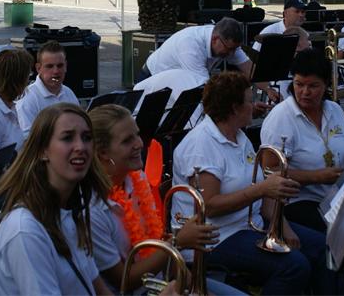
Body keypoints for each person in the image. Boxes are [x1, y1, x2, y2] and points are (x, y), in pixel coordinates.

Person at [171, 70, 344, 295]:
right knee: (294, 267)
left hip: (249, 226)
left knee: (324, 248)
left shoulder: (238, 135)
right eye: (249, 100)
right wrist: (260, 190)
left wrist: (283, 227)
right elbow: (210, 206)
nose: (253, 106)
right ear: (234, 108)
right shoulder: (201, 145)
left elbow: (263, 192)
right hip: (217, 239)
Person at [89, 104, 243, 295]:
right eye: (127, 141)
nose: (139, 144)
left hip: (167, 281)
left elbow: (156, 244)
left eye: (137, 135)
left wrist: (190, 283)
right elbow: (124, 281)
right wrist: (178, 242)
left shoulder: (137, 179)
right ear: (103, 153)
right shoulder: (94, 210)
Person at [0, 103, 112, 295]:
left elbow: (95, 285)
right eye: (67, 138)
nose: (81, 147)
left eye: (87, 138)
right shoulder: (25, 231)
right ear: (42, 151)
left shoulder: (71, 210)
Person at [260, 48, 344, 233]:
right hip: (298, 202)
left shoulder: (334, 110)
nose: (305, 92)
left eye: (313, 86)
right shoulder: (281, 117)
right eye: (299, 84)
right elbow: (269, 171)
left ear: (326, 84)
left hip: (338, 197)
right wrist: (316, 177)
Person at [137, 17, 252, 84]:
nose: (232, 53)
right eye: (229, 49)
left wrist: (266, 90)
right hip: (152, 78)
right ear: (215, 39)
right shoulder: (191, 47)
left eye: (234, 49)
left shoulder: (227, 42)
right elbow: (204, 90)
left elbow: (251, 71)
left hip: (177, 81)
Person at [16, 40, 79, 137]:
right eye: (49, 66)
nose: (56, 71)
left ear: (66, 66)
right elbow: (28, 140)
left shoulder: (68, 93)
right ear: (38, 68)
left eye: (60, 66)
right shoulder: (28, 100)